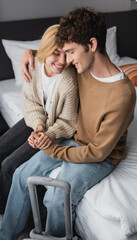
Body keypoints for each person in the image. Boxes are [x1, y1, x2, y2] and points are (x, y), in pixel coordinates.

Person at [0, 7, 136, 240]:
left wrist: (52, 147)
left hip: (99, 155)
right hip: (72, 140)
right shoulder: (81, 67)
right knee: (22, 174)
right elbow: (50, 56)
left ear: (92, 45)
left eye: (71, 52)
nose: (68, 60)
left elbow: (97, 151)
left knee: (55, 196)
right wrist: (29, 53)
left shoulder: (122, 94)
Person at [0, 24, 78, 215]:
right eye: (56, 53)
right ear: (44, 50)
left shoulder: (68, 81)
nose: (62, 61)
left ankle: (10, 214)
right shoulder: (33, 66)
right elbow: (31, 103)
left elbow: (67, 122)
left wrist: (46, 133)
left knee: (9, 166)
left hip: (55, 129)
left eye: (67, 54)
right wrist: (39, 126)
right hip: (37, 121)